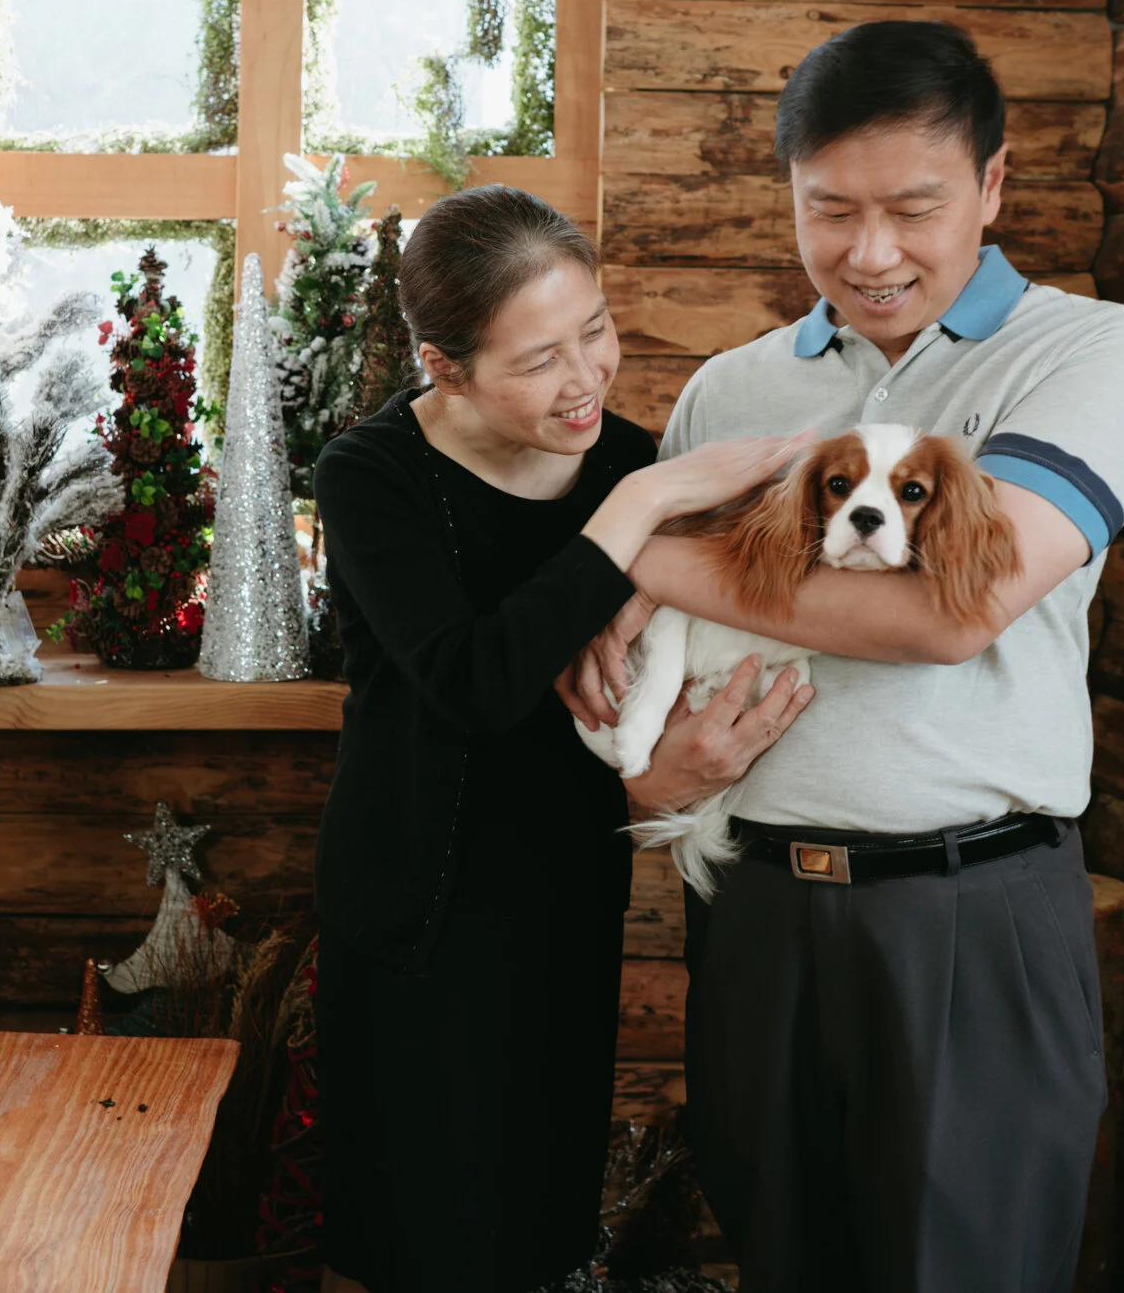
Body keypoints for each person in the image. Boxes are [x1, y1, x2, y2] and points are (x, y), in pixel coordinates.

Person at [557, 20, 1124, 1292]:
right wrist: (654, 756)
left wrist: (638, 554)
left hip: (969, 913)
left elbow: (953, 614)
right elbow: (662, 646)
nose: (870, 252)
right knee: (779, 1260)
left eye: (913, 208)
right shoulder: (726, 394)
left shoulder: (1089, 351)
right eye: (829, 209)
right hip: (754, 909)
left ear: (990, 186)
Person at [310, 185, 815, 1293]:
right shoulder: (371, 475)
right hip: (415, 910)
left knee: (539, 1238)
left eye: (594, 329)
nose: (585, 377)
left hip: (559, 900)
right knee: (415, 1246)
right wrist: (636, 509)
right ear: (444, 368)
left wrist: (662, 771)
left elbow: (661, 661)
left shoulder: (630, 459)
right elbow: (474, 683)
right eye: (539, 359)